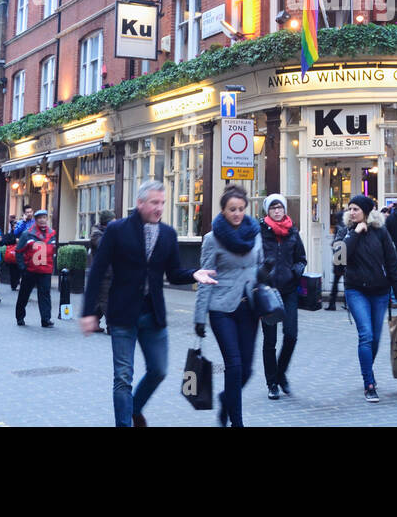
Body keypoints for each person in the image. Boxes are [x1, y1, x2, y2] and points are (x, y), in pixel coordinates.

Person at [80, 181, 216, 427]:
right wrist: (89, 312)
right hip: (122, 314)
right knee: (123, 377)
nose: (159, 208)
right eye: (154, 202)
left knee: (159, 370)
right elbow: (97, 270)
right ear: (140, 203)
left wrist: (194, 274)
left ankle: (134, 408)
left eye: (162, 203)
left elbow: (173, 273)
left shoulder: (168, 234)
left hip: (153, 315)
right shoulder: (117, 230)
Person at [194, 186, 262, 427]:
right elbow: (205, 278)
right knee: (234, 366)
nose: (237, 214)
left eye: (241, 209)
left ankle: (226, 400)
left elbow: (260, 266)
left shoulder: (255, 234)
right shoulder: (212, 239)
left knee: (247, 370)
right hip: (222, 309)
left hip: (250, 308)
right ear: (223, 210)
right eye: (232, 209)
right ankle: (237, 422)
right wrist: (199, 317)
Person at [341, 195, 397, 402]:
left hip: (380, 291)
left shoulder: (380, 231)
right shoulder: (345, 231)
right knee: (366, 335)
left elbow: (392, 262)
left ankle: (368, 369)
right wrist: (355, 233)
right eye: (350, 209)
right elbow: (338, 259)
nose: (352, 213)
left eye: (356, 209)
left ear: (366, 212)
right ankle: (368, 383)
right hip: (355, 290)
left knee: (375, 339)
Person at [260, 193, 306, 399]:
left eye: (280, 207)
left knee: (291, 335)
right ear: (268, 211)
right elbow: (253, 258)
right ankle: (272, 383)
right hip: (268, 292)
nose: (277, 211)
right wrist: (262, 274)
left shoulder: (292, 232)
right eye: (273, 208)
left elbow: (301, 258)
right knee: (270, 340)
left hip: (288, 291)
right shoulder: (260, 232)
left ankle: (281, 373)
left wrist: (296, 270)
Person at [15, 210, 57, 327]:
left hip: (45, 270)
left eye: (44, 217)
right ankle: (20, 317)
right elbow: (18, 251)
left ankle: (46, 319)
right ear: (36, 220)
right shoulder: (27, 234)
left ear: (47, 219)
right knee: (24, 294)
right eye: (39, 218)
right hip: (30, 270)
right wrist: (23, 268)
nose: (42, 220)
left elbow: (53, 251)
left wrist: (51, 266)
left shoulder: (52, 234)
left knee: (45, 295)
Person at [88, 211, 113, 331]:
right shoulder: (96, 234)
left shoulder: (107, 232)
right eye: (112, 221)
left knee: (101, 300)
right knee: (106, 300)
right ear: (106, 222)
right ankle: (111, 326)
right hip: (102, 272)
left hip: (111, 271)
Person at [327, 209, 346, 310]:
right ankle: (347, 303)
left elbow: (336, 243)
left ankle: (332, 303)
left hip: (339, 256)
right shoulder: (347, 227)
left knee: (336, 281)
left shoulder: (338, 228)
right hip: (346, 255)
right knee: (347, 280)